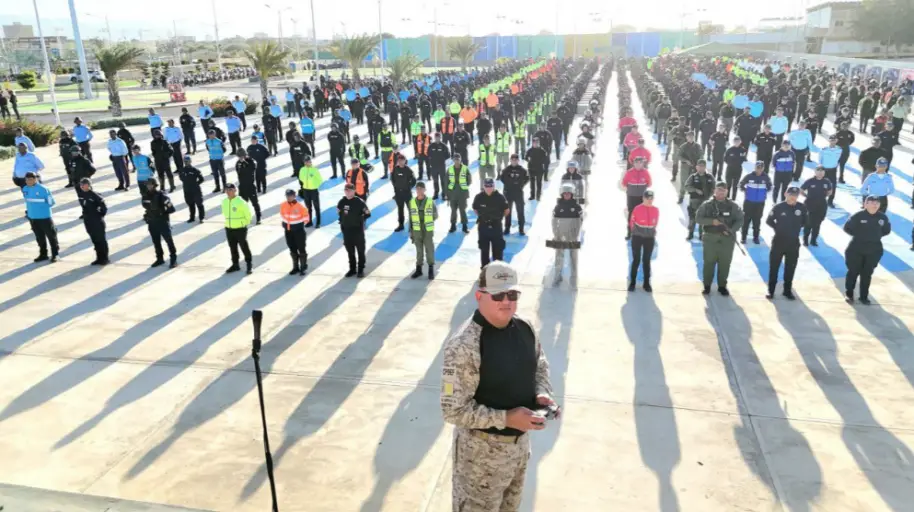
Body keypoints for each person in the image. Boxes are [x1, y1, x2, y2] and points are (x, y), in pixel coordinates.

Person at [441, 260, 557, 512]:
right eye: (498, 295)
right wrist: (506, 418)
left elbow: (540, 365)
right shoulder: (462, 346)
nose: (506, 301)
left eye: (512, 294)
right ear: (479, 296)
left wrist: (542, 392)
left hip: (518, 451)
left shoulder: (525, 327)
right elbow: (453, 410)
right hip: (479, 461)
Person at [696, 182, 744, 295]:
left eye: (723, 190)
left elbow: (740, 220)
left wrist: (731, 230)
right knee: (709, 263)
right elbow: (698, 218)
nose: (720, 192)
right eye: (718, 190)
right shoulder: (707, 205)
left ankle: (722, 286)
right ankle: (707, 285)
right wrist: (711, 221)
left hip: (727, 240)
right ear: (714, 191)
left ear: (727, 191)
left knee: (725, 263)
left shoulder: (733, 205)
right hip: (710, 239)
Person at [844, 195, 891, 304]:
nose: (875, 205)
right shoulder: (858, 216)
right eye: (872, 202)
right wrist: (861, 236)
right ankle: (849, 294)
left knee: (867, 273)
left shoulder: (883, 218)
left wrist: (873, 237)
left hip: (874, 249)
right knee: (853, 272)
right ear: (866, 204)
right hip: (856, 248)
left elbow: (886, 231)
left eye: (877, 203)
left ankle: (864, 296)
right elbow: (847, 228)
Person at [765, 186, 807, 300]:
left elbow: (805, 222)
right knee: (774, 267)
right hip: (779, 241)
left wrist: (794, 229)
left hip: (793, 243)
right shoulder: (779, 207)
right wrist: (777, 228)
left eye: (795, 195)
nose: (793, 197)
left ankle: (787, 290)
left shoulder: (801, 207)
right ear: (785, 194)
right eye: (791, 194)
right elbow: (769, 220)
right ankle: (771, 290)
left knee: (790, 268)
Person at [22, 172, 59, 263]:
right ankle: (43, 254)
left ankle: (55, 254)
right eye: (27, 180)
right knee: (39, 237)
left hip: (44, 217)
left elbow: (51, 202)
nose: (28, 182)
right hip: (33, 218)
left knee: (51, 236)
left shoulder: (43, 189)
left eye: (30, 179)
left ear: (35, 179)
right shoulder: (25, 188)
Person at [552, 183, 584, 287]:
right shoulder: (558, 207)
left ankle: (574, 278)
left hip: (572, 235)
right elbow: (554, 221)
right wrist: (555, 233)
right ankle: (557, 276)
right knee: (558, 256)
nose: (566, 195)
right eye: (564, 193)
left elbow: (580, 221)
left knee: (573, 257)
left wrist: (576, 234)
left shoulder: (577, 207)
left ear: (572, 194)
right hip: (560, 234)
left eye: (568, 193)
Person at [142, 178, 178, 269]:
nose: (148, 186)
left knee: (169, 241)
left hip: (162, 222)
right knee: (156, 242)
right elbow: (147, 208)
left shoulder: (161, 195)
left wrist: (162, 215)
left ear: (154, 185)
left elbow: (171, 209)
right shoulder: (145, 195)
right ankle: (160, 258)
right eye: (147, 184)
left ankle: (173, 259)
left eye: (150, 184)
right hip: (152, 222)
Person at [473, 178, 509, 268]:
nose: (489, 188)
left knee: (498, 249)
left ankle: (498, 270)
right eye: (486, 186)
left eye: (491, 186)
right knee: (484, 250)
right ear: (483, 186)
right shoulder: (479, 197)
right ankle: (484, 271)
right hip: (483, 227)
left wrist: (498, 218)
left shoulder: (500, 197)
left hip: (496, 226)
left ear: (494, 186)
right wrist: (482, 217)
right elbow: (475, 209)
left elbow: (507, 210)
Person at [337, 183, 371, 277]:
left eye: (350, 190)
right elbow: (339, 212)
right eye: (346, 190)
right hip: (346, 231)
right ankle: (352, 269)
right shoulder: (342, 202)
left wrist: (360, 220)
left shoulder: (359, 202)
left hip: (358, 230)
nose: (348, 192)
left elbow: (368, 213)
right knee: (350, 251)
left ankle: (360, 269)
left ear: (354, 191)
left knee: (360, 251)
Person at [628, 189, 658, 292]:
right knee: (636, 260)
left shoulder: (656, 210)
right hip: (638, 237)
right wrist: (635, 232)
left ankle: (646, 283)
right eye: (647, 198)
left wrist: (651, 232)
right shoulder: (637, 209)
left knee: (646, 260)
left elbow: (655, 223)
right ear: (643, 198)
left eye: (651, 198)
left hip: (649, 238)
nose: (649, 200)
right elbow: (632, 222)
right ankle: (632, 282)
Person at [222, 183, 254, 274]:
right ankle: (235, 264)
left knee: (244, 246)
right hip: (229, 228)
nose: (228, 192)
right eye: (227, 190)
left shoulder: (241, 202)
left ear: (235, 190)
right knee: (232, 247)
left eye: (230, 190)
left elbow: (248, 215)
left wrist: (243, 224)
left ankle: (249, 263)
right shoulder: (224, 201)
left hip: (240, 228)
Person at [738, 161, 773, 244]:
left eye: (761, 168)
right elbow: (741, 184)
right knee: (746, 220)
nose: (759, 169)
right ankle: (743, 237)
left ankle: (756, 237)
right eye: (758, 167)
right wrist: (745, 190)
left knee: (757, 221)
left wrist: (763, 194)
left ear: (763, 168)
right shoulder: (749, 176)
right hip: (749, 202)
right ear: (755, 167)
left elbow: (770, 187)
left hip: (760, 203)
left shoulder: (766, 177)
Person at [409, 182, 438, 280]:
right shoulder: (412, 202)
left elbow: (435, 215)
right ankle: (419, 269)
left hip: (427, 229)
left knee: (429, 249)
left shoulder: (430, 201)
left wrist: (427, 220)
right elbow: (411, 218)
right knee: (419, 250)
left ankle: (430, 269)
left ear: (424, 190)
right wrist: (411, 231)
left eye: (421, 189)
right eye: (417, 189)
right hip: (417, 230)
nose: (419, 191)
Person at [78, 178, 109, 265]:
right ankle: (99, 258)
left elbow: (104, 208)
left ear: (89, 185)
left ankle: (105, 258)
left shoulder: (95, 195)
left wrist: (99, 215)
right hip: (88, 221)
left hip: (97, 221)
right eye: (81, 185)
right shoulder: (81, 195)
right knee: (94, 240)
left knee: (101, 240)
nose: (82, 186)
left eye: (84, 184)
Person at [620, 157, 652, 240]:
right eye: (636, 163)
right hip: (631, 197)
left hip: (642, 198)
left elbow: (649, 183)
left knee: (642, 215)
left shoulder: (646, 172)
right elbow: (624, 183)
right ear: (633, 163)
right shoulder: (629, 172)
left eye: (640, 163)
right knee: (631, 215)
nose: (638, 164)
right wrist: (631, 189)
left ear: (643, 163)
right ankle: (630, 232)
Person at [800, 166, 833, 247]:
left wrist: (823, 196)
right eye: (818, 171)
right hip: (810, 204)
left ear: (824, 172)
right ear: (815, 171)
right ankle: (805, 240)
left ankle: (813, 240)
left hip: (821, 205)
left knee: (817, 224)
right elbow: (801, 190)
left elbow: (830, 191)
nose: (820, 172)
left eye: (822, 171)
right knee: (808, 223)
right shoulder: (810, 181)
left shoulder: (826, 181)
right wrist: (807, 196)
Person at [280, 189, 309, 276]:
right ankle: (295, 267)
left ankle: (303, 267)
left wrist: (298, 224)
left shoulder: (300, 206)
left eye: (290, 195)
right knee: (292, 248)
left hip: (298, 231)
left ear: (294, 196)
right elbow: (282, 215)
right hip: (288, 231)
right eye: (287, 196)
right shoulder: (283, 205)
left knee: (301, 248)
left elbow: (306, 218)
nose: (288, 197)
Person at [500, 154, 529, 236]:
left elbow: (527, 177)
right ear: (510, 160)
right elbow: (502, 178)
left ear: (518, 160)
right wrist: (508, 184)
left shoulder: (522, 170)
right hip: (508, 193)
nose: (514, 161)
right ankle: (507, 228)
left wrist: (521, 185)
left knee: (520, 211)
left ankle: (521, 228)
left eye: (516, 159)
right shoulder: (506, 169)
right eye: (512, 159)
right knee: (507, 211)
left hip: (518, 193)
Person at [391, 154, 417, 232]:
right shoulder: (395, 169)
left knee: (410, 209)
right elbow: (392, 179)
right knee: (400, 209)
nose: (401, 162)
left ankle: (412, 226)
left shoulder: (408, 170)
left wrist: (409, 187)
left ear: (405, 161)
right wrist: (396, 187)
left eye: (402, 160)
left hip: (407, 193)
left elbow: (414, 180)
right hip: (399, 193)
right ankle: (401, 225)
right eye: (399, 160)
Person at [448, 154, 472, 233]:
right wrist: (447, 194)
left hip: (462, 193)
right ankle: (453, 225)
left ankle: (464, 226)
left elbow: (469, 179)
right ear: (453, 160)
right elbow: (446, 182)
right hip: (453, 193)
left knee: (463, 210)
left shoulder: (465, 168)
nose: (457, 161)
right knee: (453, 210)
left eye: (458, 159)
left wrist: (464, 184)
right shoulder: (450, 169)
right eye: (455, 159)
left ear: (460, 160)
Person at [177, 155, 206, 223]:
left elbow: (201, 179)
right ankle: (192, 217)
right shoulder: (182, 170)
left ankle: (201, 218)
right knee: (190, 204)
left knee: (199, 204)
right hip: (187, 190)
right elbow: (181, 178)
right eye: (185, 161)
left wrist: (195, 184)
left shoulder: (195, 170)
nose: (186, 162)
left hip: (196, 190)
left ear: (190, 161)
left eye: (187, 161)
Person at [677, 131, 702, 204]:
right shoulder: (683, 146)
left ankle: (694, 199)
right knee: (684, 183)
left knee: (695, 183)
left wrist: (699, 164)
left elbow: (701, 155)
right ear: (686, 137)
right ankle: (681, 197)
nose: (690, 138)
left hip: (695, 167)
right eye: (689, 136)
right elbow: (679, 156)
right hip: (685, 167)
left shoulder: (697, 146)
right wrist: (686, 160)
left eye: (692, 136)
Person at [298, 155, 323, 228]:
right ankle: (309, 221)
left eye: (308, 161)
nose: (307, 163)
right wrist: (306, 184)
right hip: (306, 190)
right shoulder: (302, 169)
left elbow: (320, 180)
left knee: (316, 207)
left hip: (314, 191)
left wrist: (314, 185)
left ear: (310, 161)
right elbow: (301, 178)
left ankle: (318, 222)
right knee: (308, 207)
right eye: (306, 162)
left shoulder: (314, 170)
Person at [818, 135, 842, 207]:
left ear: (836, 141)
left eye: (834, 140)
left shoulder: (839, 149)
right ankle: (821, 200)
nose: (832, 141)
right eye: (831, 140)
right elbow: (820, 159)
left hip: (833, 170)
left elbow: (838, 159)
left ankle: (830, 201)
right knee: (821, 185)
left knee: (833, 186)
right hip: (824, 170)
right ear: (829, 140)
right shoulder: (824, 150)